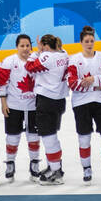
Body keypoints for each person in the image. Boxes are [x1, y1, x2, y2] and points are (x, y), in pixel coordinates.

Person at [64, 25, 101, 185]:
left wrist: (93, 80)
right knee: (84, 139)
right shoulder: (74, 59)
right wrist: (97, 83)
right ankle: (87, 168)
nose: (90, 43)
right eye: (86, 41)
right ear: (81, 42)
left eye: (92, 40)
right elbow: (72, 83)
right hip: (81, 104)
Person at [26, 33, 70, 185]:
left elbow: (29, 67)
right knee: (52, 136)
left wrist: (37, 52)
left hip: (46, 100)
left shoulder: (47, 57)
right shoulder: (64, 54)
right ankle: (54, 166)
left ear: (45, 46)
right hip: (59, 100)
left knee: (48, 137)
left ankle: (56, 171)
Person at [0, 34, 40, 182]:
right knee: (12, 137)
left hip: (33, 107)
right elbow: (1, 83)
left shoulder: (37, 60)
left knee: (33, 136)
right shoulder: (9, 61)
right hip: (13, 106)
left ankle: (34, 164)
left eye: (28, 45)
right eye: (22, 45)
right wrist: (3, 103)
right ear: (17, 47)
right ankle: (10, 163)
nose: (25, 48)